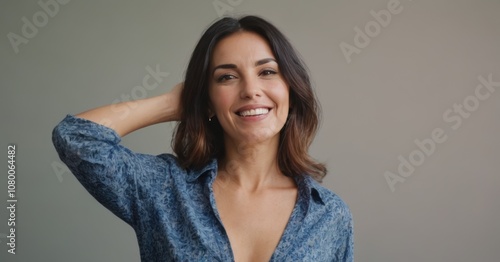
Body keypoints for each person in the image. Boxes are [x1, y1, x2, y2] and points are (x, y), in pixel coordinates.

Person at [52, 15, 353, 262]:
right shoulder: (165, 188)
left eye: (267, 72)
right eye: (227, 77)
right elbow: (77, 137)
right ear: (207, 99)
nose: (250, 90)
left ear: (291, 88)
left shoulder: (329, 215)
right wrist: (173, 103)